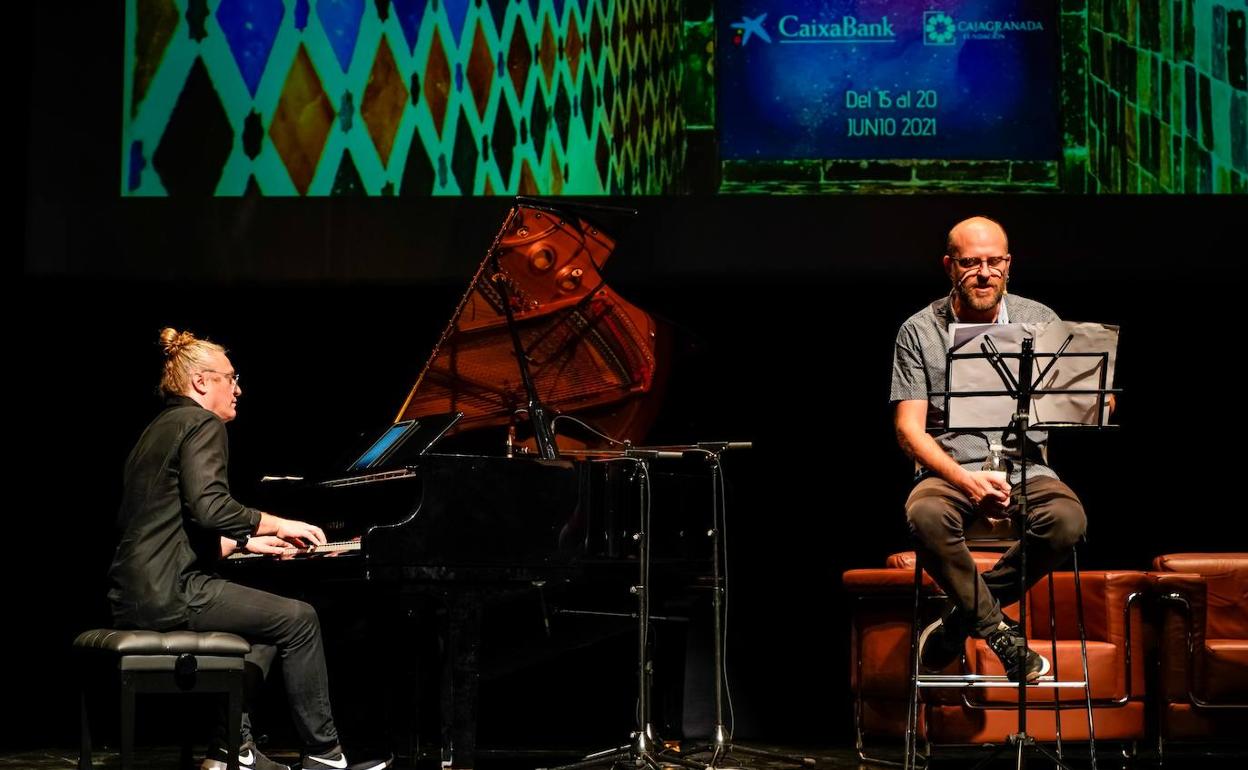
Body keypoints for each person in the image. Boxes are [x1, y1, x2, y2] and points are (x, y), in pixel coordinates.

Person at [107, 328, 388, 770]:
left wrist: (251, 541)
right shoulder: (202, 423)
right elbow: (211, 507)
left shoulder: (157, 429)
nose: (238, 389)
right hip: (171, 591)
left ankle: (230, 751)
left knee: (265, 629)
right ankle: (324, 756)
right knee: (299, 619)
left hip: (136, 591)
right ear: (201, 382)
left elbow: (166, 524)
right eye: (230, 378)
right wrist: (278, 521)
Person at [889, 216, 1089, 683]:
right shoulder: (919, 331)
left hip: (1027, 468)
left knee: (1067, 521)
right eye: (970, 262)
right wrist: (965, 479)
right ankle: (998, 631)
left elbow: (1076, 402)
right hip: (952, 468)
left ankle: (962, 619)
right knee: (925, 515)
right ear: (948, 265)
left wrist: (1087, 397)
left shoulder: (1039, 320)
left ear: (1008, 264)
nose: (984, 272)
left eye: (994, 261)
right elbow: (909, 431)